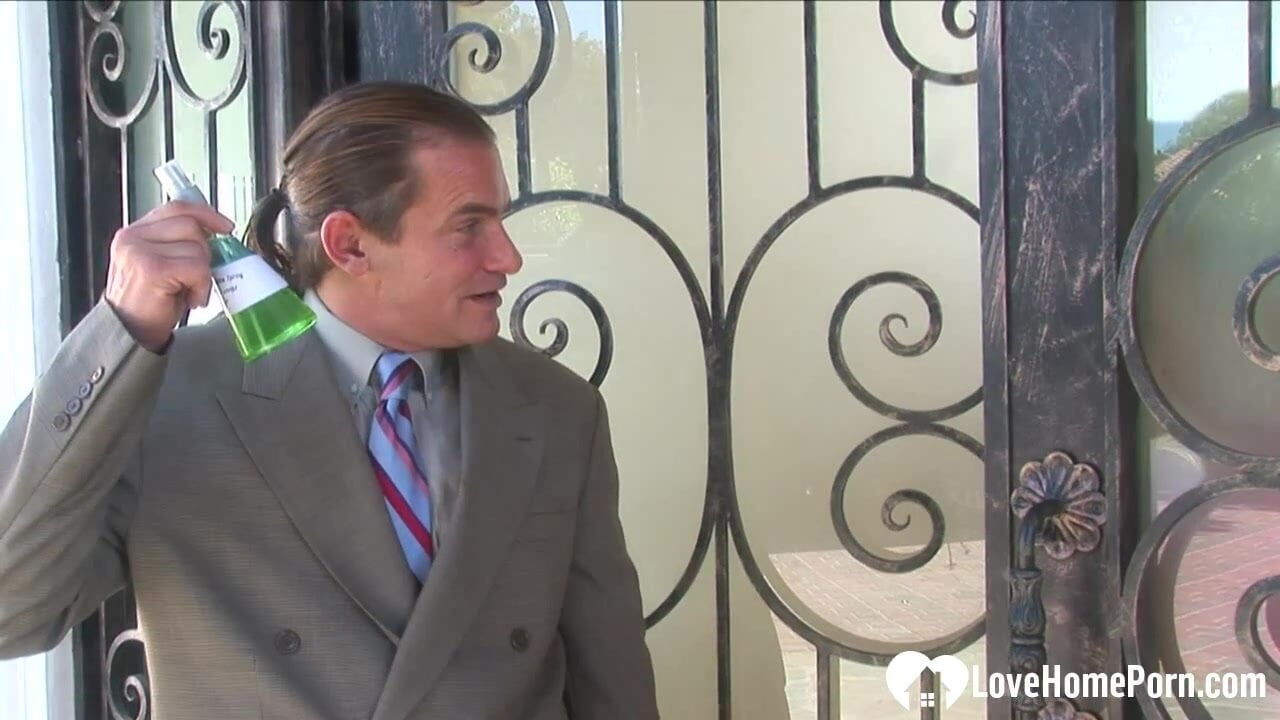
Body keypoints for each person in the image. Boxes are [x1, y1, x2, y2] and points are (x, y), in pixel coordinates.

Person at [0, 81, 659, 720]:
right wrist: (120, 332)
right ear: (350, 244)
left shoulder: (556, 409)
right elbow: (11, 609)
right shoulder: (170, 396)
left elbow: (612, 680)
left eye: (500, 221)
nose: (508, 257)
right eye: (469, 227)